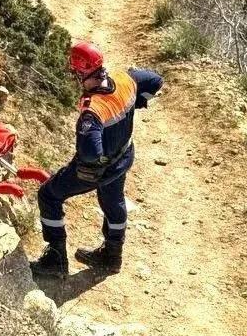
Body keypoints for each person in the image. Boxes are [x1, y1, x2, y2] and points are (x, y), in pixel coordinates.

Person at [33, 41, 163, 276]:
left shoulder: (93, 111)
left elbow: (91, 152)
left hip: (97, 170)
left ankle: (56, 260)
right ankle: (112, 256)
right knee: (114, 202)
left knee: (49, 195)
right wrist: (138, 101)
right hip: (122, 158)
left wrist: (90, 161)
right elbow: (155, 81)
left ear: (81, 73)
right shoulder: (125, 80)